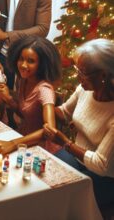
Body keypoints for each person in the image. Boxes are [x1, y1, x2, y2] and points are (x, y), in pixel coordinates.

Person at [44, 39, 114, 207]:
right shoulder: (85, 89)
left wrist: (65, 143)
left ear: (103, 75)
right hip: (76, 159)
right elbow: (64, 113)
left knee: (60, 199)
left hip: (103, 177)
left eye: (82, 72)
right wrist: (42, 99)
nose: (77, 76)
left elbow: (101, 164)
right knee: (42, 178)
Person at [0, 36, 62, 154]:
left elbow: (50, 130)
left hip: (40, 147)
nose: (23, 65)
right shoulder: (23, 79)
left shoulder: (44, 90)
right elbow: (25, 114)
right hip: (23, 138)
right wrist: (8, 98)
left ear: (42, 64)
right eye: (21, 59)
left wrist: (13, 143)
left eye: (31, 61)